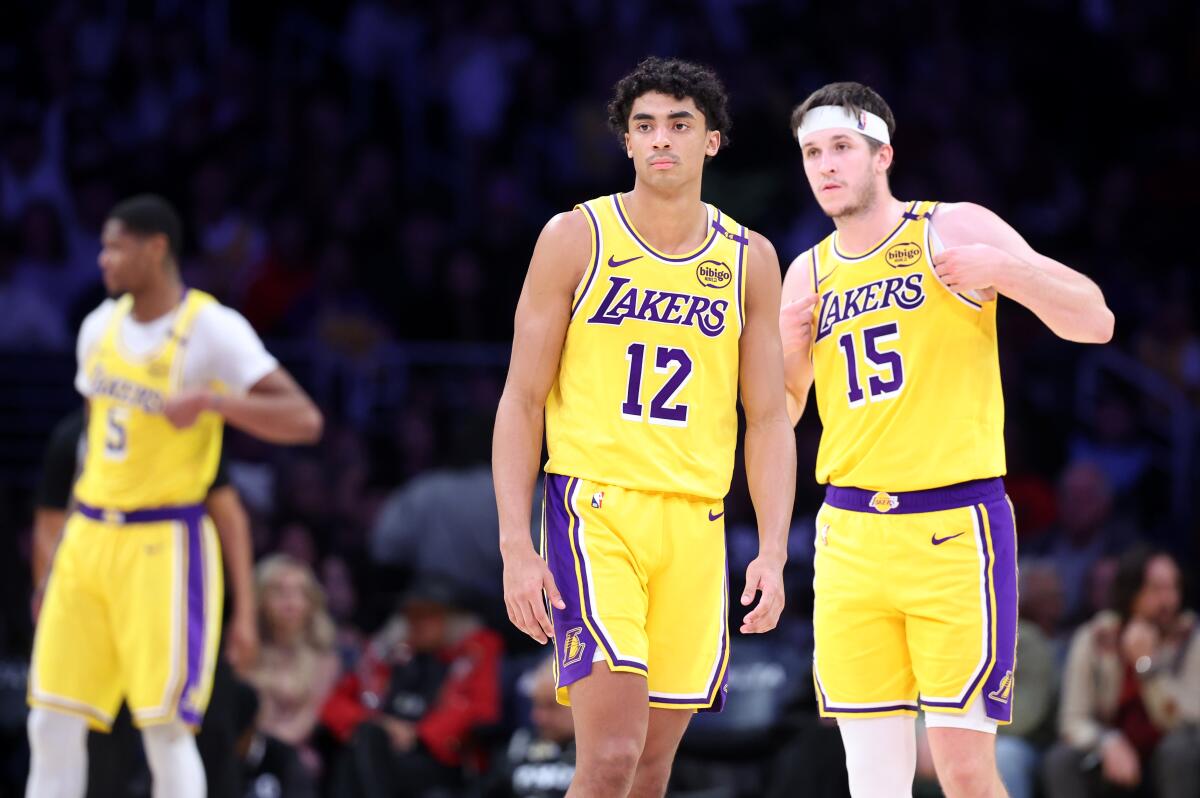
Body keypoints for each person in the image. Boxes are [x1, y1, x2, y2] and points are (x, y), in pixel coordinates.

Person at [779, 82, 1114, 798]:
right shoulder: (805, 272)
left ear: (882, 155)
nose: (826, 165)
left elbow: (1096, 320)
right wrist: (785, 350)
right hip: (849, 536)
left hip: (952, 528)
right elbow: (781, 415)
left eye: (841, 147)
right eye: (813, 152)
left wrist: (1007, 272)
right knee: (871, 779)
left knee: (965, 774)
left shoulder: (951, 227)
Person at [494, 56, 795, 798]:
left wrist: (776, 549)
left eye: (680, 125)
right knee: (609, 754)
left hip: (697, 522)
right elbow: (521, 400)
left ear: (712, 141)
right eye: (645, 126)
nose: (662, 140)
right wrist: (515, 546)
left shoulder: (750, 258)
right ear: (626, 143)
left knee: (652, 767)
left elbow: (768, 419)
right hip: (596, 511)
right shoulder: (575, 237)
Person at [26, 194, 323, 798]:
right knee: (50, 719)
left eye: (115, 246)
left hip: (163, 542)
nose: (103, 258)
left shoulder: (210, 328)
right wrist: (51, 570)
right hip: (88, 536)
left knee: (165, 726)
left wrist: (217, 402)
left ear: (155, 248)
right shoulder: (97, 327)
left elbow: (304, 419)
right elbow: (96, 447)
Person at [30, 407, 260, 798]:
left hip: (172, 599)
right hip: (95, 601)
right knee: (81, 735)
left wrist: (245, 612)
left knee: (183, 729)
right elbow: (50, 526)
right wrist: (51, 595)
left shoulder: (178, 433)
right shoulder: (72, 438)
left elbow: (230, 518)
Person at [1043, 546, 1200, 798]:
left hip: (1170, 758)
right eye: (1157, 589)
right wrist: (1107, 741)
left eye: (1174, 588)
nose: (1169, 600)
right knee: (1061, 760)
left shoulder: (1190, 638)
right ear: (1131, 591)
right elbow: (1072, 719)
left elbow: (1185, 720)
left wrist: (1147, 667)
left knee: (1179, 750)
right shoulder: (1095, 637)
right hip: (1113, 759)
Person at [323, 579, 503, 797]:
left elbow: (482, 710)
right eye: (412, 615)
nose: (418, 623)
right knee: (357, 752)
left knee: (363, 756)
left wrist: (417, 735)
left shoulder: (475, 652)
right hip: (382, 747)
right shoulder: (389, 655)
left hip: (437, 758)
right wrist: (383, 726)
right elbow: (332, 704)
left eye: (429, 615)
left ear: (452, 618)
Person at [248, 555, 341, 770]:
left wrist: (267, 747)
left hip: (291, 757)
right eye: (279, 592)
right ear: (260, 599)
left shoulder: (325, 660)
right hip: (245, 751)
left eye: (300, 593)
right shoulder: (244, 653)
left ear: (312, 602)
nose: (290, 602)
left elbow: (305, 722)